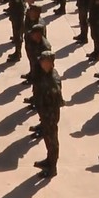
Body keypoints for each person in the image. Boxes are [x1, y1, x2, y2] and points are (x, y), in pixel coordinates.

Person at [33, 50, 63, 179]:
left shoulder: (53, 79)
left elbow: (56, 97)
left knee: (52, 140)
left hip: (50, 115)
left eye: (43, 61)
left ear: (50, 63)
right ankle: (49, 160)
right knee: (47, 137)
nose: (41, 63)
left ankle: (52, 167)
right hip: (44, 113)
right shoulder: (43, 73)